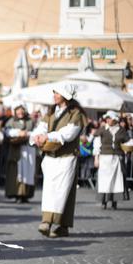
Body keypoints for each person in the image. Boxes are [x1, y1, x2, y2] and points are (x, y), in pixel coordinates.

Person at [30, 83, 88, 238]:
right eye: (54, 93)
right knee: (50, 190)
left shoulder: (76, 113)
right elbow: (41, 127)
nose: (54, 95)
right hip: (50, 156)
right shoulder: (50, 112)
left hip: (66, 157)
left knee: (63, 191)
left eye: (57, 93)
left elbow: (69, 133)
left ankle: (48, 222)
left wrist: (48, 136)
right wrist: (37, 136)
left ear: (65, 96)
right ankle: (59, 225)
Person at [94, 111, 128, 209]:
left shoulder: (121, 130)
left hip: (116, 158)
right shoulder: (102, 129)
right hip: (104, 158)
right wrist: (96, 158)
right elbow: (97, 144)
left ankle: (114, 202)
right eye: (107, 118)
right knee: (104, 181)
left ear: (115, 119)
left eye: (110, 118)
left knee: (116, 181)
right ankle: (103, 201)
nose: (108, 120)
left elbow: (128, 141)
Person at [4, 102, 36, 203]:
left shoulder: (30, 121)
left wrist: (27, 134)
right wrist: (18, 133)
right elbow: (7, 132)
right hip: (16, 150)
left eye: (22, 109)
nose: (20, 112)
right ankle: (17, 194)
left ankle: (26, 195)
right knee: (16, 172)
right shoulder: (11, 121)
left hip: (28, 149)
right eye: (18, 110)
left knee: (28, 172)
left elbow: (36, 132)